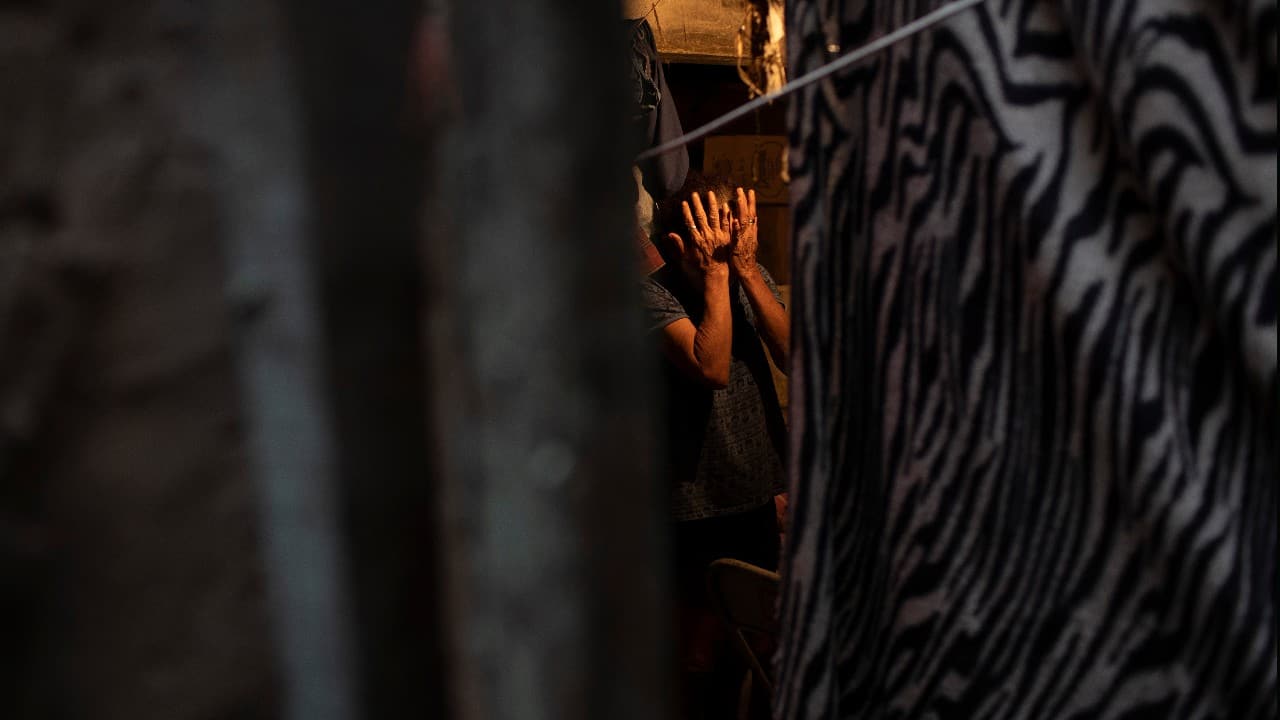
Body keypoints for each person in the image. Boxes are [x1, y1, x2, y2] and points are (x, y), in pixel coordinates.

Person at [642, 174, 789, 718]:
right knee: (697, 658)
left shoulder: (746, 273)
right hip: (692, 503)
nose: (725, 246)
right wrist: (716, 279)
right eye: (716, 235)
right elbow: (712, 366)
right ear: (681, 239)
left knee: (757, 649)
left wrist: (747, 271)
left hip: (755, 492)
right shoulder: (651, 292)